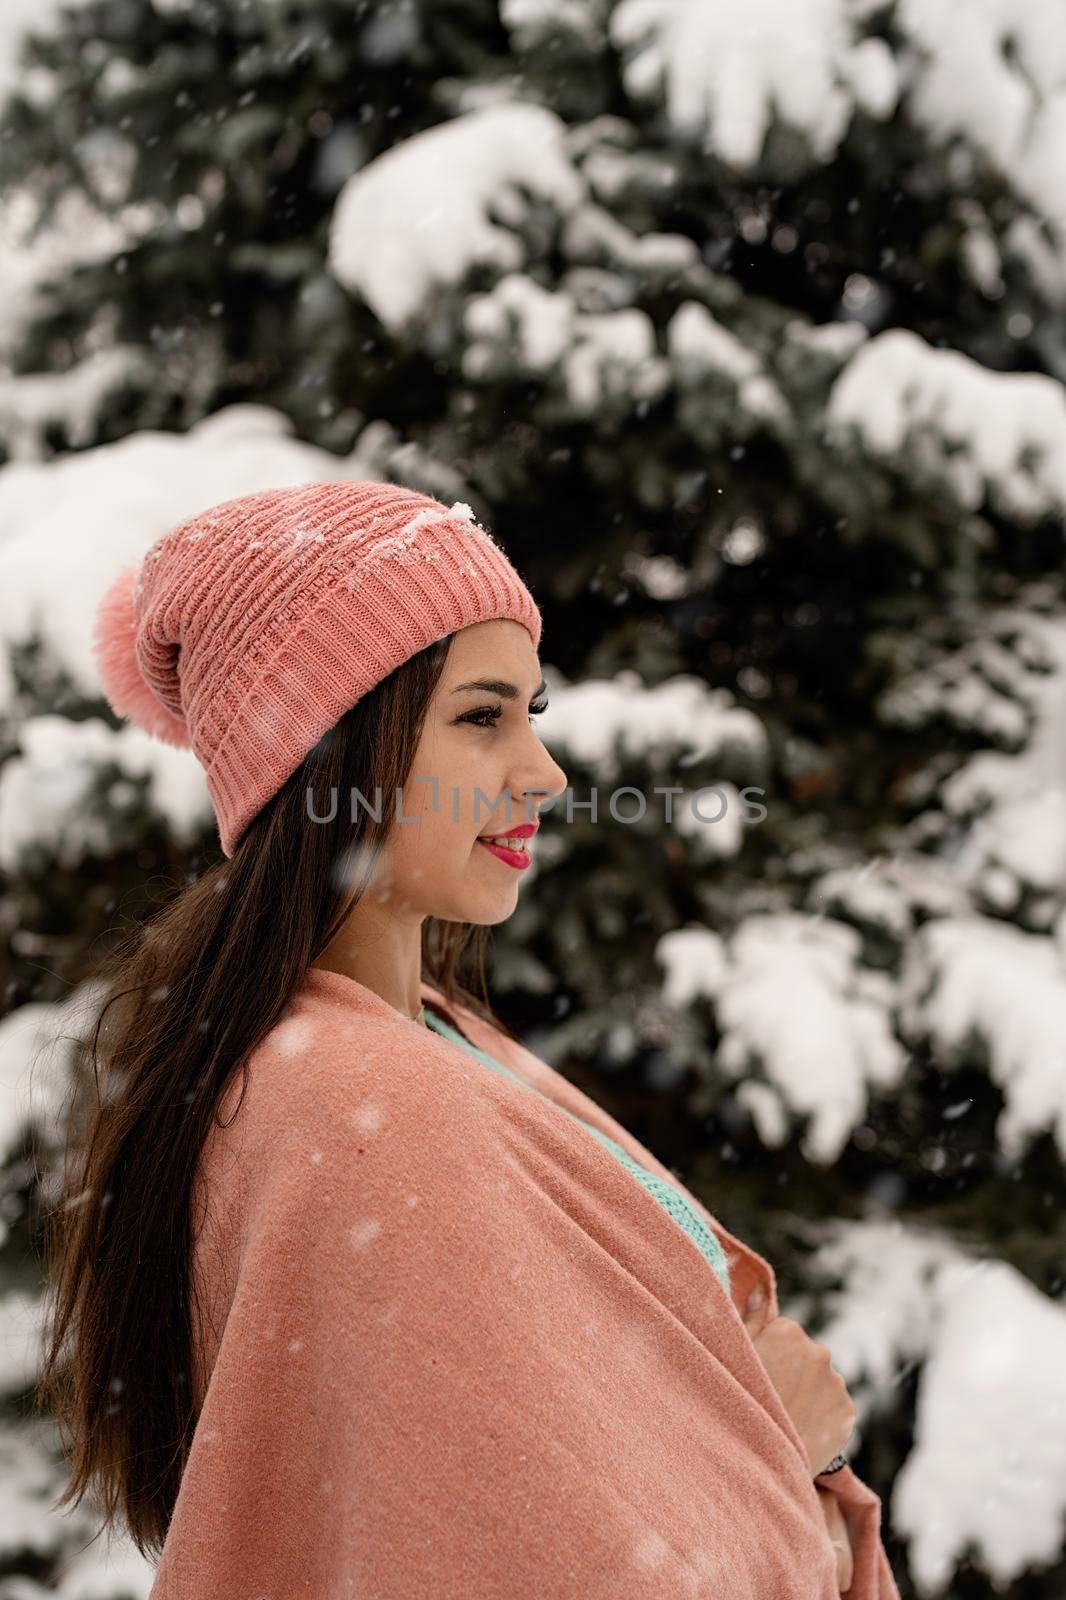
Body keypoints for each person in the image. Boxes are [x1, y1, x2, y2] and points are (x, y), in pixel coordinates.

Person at [35, 480, 898, 1598]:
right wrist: (784, 1446)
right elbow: (534, 1559)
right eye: (481, 716)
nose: (543, 772)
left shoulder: (429, 1040)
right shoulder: (361, 1111)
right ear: (328, 760)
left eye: (530, 712)